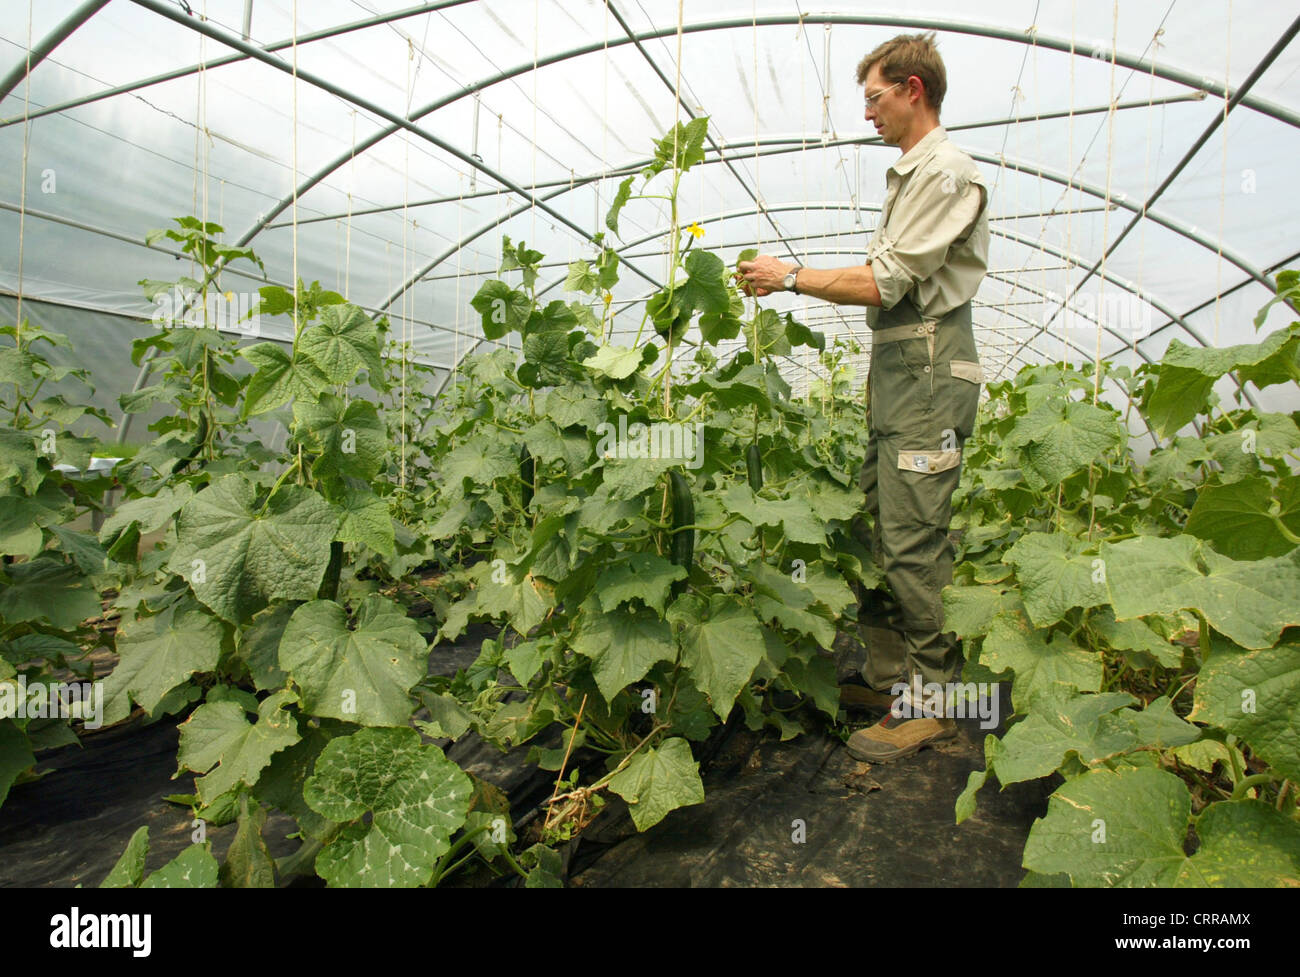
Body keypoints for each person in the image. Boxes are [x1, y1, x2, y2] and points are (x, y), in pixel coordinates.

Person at [737, 31, 989, 763]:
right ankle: (892, 681)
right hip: (901, 377)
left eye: (875, 97)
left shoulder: (946, 172)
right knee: (880, 533)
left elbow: (885, 283)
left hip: (929, 378)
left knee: (912, 542)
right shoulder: (913, 173)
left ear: (913, 90)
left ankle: (935, 701)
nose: (868, 113)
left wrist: (789, 276)